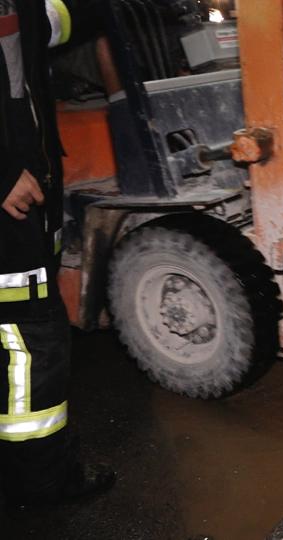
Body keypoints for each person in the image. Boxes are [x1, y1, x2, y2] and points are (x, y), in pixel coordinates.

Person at [0, 0, 114, 508]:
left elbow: (65, 18)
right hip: (9, 212)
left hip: (26, 206)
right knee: (34, 346)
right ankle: (40, 485)